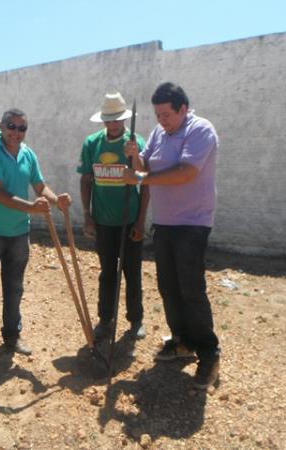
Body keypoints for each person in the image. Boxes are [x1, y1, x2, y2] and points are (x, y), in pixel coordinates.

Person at [124, 82, 221, 389]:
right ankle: (182, 342)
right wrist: (135, 157)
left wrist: (142, 175)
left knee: (190, 288)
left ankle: (209, 353)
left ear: (183, 108)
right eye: (157, 114)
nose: (161, 120)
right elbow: (145, 165)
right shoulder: (159, 133)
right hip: (165, 222)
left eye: (166, 113)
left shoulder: (200, 130)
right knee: (168, 287)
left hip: (192, 222)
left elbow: (186, 171)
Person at [0, 108, 71, 370]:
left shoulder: (27, 153)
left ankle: (12, 336)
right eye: (12, 126)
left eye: (22, 128)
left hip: (19, 232)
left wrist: (57, 202)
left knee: (14, 287)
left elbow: (40, 186)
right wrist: (32, 208)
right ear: (1, 126)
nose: (16, 132)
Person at [77, 92, 149, 342]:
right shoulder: (92, 144)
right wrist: (87, 215)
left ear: (124, 119)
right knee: (107, 272)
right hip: (104, 221)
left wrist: (141, 221)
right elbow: (86, 179)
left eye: (118, 119)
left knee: (132, 271)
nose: (114, 124)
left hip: (129, 220)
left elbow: (146, 181)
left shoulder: (135, 142)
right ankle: (105, 320)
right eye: (109, 120)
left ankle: (136, 319)